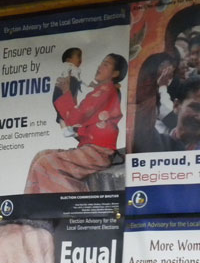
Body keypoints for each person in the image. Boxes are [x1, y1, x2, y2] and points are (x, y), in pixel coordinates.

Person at [24, 53, 128, 194]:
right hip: (91, 150)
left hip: (98, 153)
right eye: (101, 63)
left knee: (44, 163)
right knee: (40, 156)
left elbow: (75, 117)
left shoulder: (106, 90)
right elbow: (77, 117)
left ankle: (63, 204)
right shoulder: (102, 91)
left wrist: (66, 91)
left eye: (106, 64)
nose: (100, 66)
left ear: (115, 73)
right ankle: (31, 205)